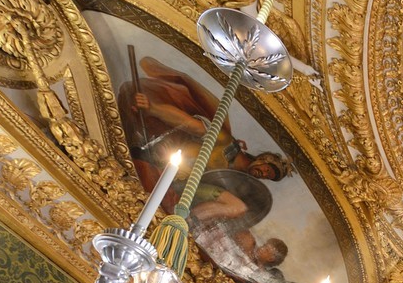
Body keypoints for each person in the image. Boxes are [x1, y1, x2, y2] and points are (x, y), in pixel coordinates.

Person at [121, 56, 292, 192]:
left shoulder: (236, 181)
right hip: (155, 155)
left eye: (267, 177)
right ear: (263, 160)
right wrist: (152, 109)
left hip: (170, 180)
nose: (263, 175)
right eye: (267, 170)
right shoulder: (228, 145)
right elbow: (191, 124)